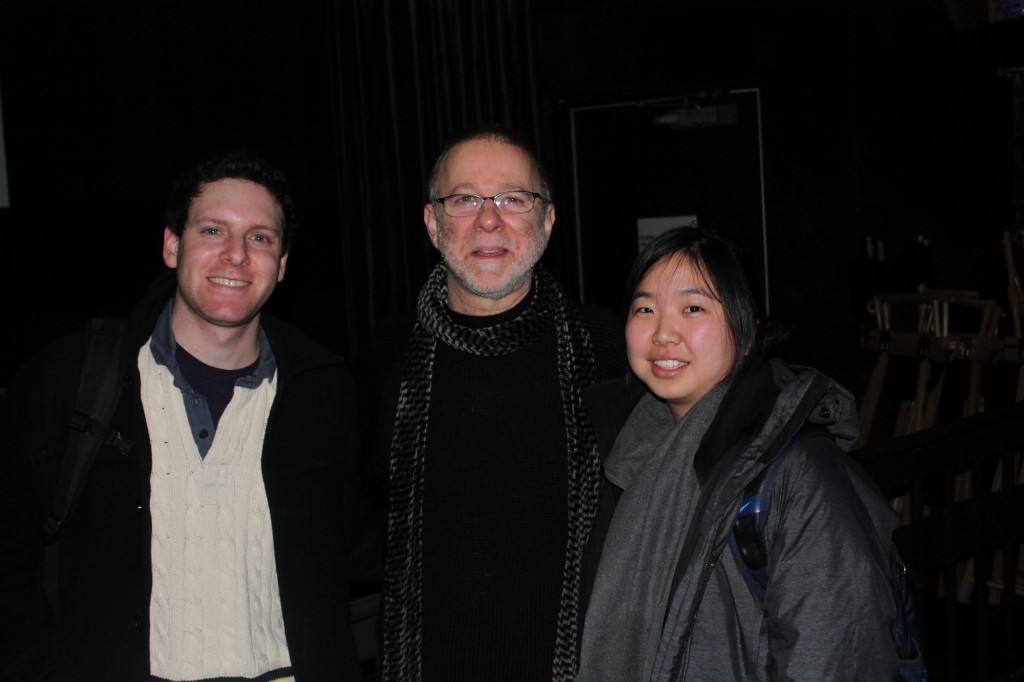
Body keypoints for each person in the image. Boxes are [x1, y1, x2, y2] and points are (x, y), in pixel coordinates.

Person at [0, 150, 366, 681]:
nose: (237, 255)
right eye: (213, 231)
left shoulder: (321, 390)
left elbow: (350, 549)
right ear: (173, 246)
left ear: (283, 264)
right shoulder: (75, 379)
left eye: (260, 237)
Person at [353, 125, 625, 682]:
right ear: (432, 223)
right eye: (465, 199)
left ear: (547, 220)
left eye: (512, 199)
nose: (489, 220)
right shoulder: (385, 356)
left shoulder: (609, 349)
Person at [576, 225, 901, 681]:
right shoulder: (628, 452)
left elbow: (838, 658)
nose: (663, 332)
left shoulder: (802, 477)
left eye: (692, 308)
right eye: (645, 308)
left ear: (747, 331)